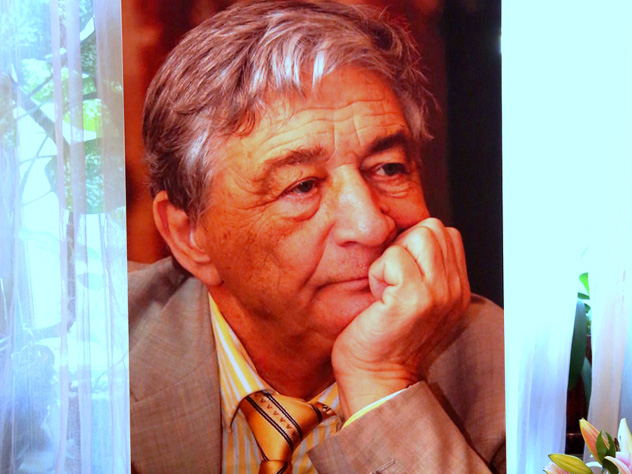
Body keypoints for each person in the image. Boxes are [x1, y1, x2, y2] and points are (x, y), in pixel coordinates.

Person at [128, 1, 505, 472]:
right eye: (302, 186)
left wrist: (383, 384)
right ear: (190, 235)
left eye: (389, 169)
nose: (370, 226)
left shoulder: (500, 365)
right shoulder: (86, 358)